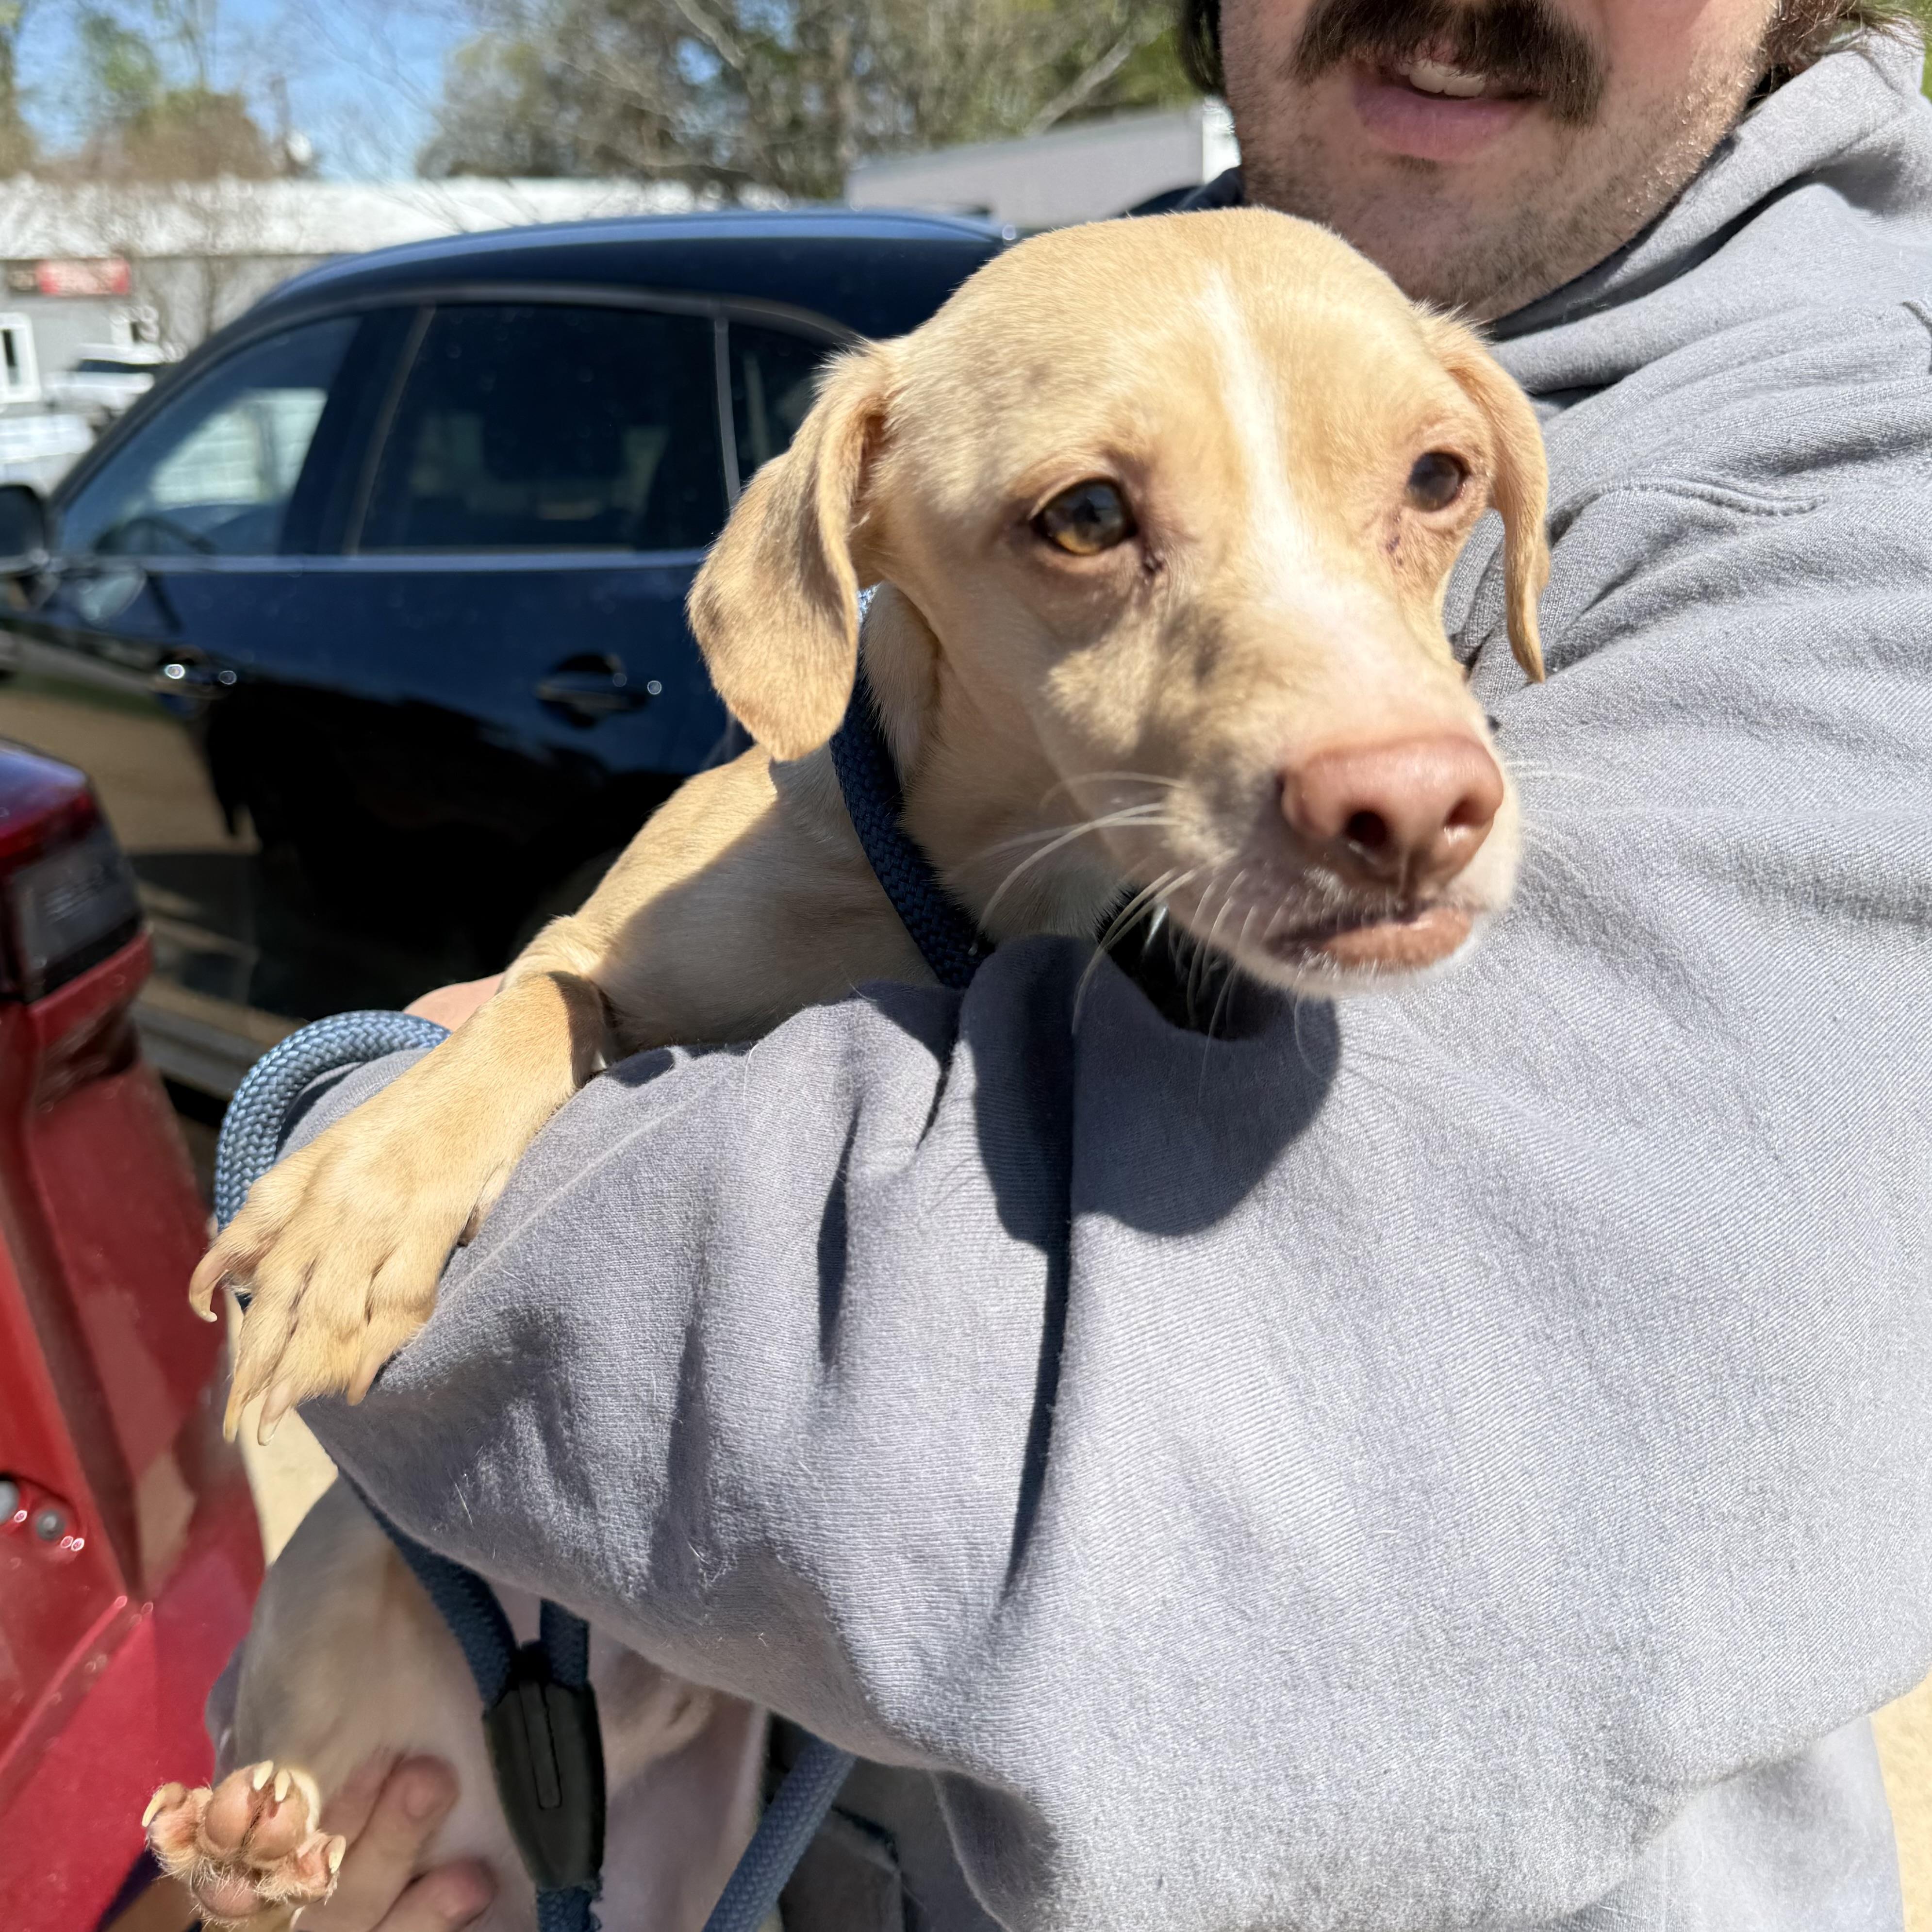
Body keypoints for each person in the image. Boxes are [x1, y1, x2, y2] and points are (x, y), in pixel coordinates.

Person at [277, 0, 1932, 1925]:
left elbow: (1124, 1520)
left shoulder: (1854, 498)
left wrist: (357, 1104)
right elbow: (608, 975)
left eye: (1426, 491)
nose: (1400, 774)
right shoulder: (1135, 322)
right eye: (1087, 516)